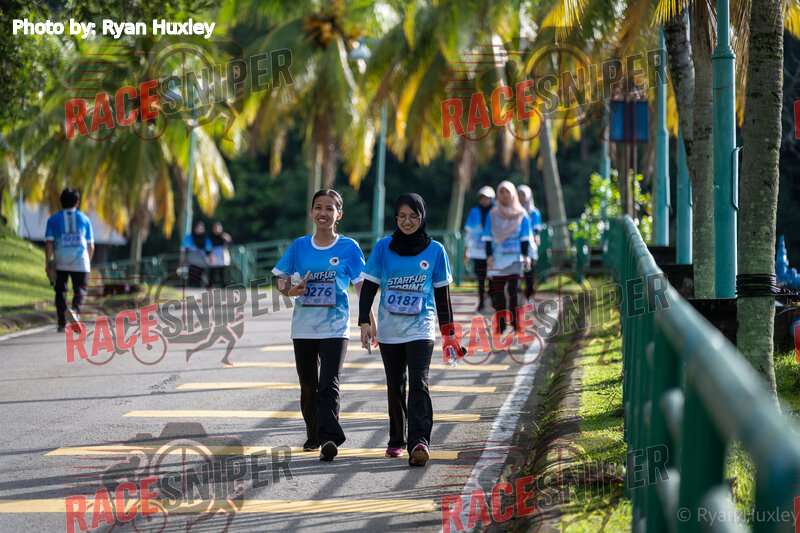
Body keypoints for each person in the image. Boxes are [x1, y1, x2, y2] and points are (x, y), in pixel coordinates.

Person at [358, 193, 462, 467]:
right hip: (389, 330)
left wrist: (449, 334)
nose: (407, 221)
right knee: (395, 385)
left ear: (422, 217)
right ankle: (396, 439)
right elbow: (369, 287)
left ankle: (419, 442)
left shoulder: (436, 251)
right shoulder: (383, 248)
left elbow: (442, 297)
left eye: (413, 216)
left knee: (419, 383)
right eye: (402, 216)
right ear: (395, 218)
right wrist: (364, 321)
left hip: (421, 328)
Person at [272, 189, 375, 462]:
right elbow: (280, 278)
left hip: (335, 328)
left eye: (330, 208)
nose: (323, 213)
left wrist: (367, 321)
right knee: (308, 385)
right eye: (318, 207)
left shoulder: (349, 248)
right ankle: (314, 434)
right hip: (303, 328)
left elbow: (361, 286)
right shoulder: (300, 246)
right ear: (311, 212)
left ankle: (330, 438)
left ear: (338, 215)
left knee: (329, 383)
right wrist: (289, 290)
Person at [483, 181, 532, 335]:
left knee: (514, 292)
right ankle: (501, 324)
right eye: (502, 192)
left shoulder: (521, 214)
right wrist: (488, 256)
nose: (505, 195)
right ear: (498, 194)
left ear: (513, 194)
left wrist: (526, 255)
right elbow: (487, 237)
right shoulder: (492, 214)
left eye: (507, 192)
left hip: (515, 260)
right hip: (498, 259)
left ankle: (517, 324)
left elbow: (525, 237)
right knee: (498, 294)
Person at [45, 188, 95, 333]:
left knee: (60, 290)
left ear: (60, 203)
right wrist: (88, 262)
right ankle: (74, 310)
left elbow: (49, 242)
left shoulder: (53, 219)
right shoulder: (85, 219)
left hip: (60, 260)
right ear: (77, 202)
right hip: (81, 260)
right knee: (80, 289)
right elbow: (91, 245)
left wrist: (48, 263)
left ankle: (62, 323)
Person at [463, 186, 495, 312]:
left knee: (493, 279)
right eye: (482, 198)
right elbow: (469, 233)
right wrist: (466, 250)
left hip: (493, 253)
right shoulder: (474, 212)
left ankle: (491, 301)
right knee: (481, 280)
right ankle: (481, 302)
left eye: (487, 198)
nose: (484, 200)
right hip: (478, 252)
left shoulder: (496, 212)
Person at [517, 185, 542, 302]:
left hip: (530, 247)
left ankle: (528, 297)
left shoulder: (534, 213)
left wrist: (537, 237)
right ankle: (517, 300)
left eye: (523, 194)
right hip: (516, 246)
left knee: (529, 275)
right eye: (519, 194)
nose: (521, 197)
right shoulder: (513, 212)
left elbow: (537, 230)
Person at [180, 222, 211, 287]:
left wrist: (210, 256)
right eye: (198, 228)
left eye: (201, 228)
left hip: (202, 259)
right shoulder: (189, 237)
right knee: (192, 273)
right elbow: (185, 247)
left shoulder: (206, 239)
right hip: (192, 258)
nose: (199, 229)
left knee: (199, 275)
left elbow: (208, 249)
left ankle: (197, 288)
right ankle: (191, 287)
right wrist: (185, 257)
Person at [208, 222, 233, 287]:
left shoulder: (224, 236)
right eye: (215, 228)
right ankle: (210, 286)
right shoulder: (210, 237)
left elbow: (230, 245)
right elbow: (207, 247)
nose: (217, 229)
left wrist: (228, 239)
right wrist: (209, 255)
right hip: (213, 255)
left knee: (223, 272)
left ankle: (224, 286)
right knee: (212, 272)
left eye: (218, 228)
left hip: (223, 255)